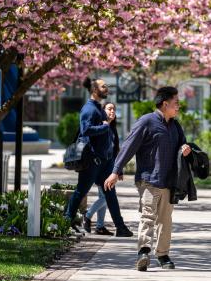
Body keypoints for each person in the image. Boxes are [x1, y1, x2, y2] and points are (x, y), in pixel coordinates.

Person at [104, 86, 191, 271]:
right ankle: (143, 252)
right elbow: (129, 146)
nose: (178, 107)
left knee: (165, 220)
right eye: (176, 103)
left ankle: (163, 255)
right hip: (148, 179)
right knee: (148, 216)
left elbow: (182, 143)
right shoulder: (146, 122)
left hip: (169, 181)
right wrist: (115, 170)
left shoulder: (175, 126)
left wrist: (185, 149)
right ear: (165, 103)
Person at [64, 78, 133, 237]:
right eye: (103, 86)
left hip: (104, 162)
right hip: (92, 161)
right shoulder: (89, 109)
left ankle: (120, 227)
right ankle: (67, 221)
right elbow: (85, 130)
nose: (106, 88)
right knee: (81, 191)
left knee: (111, 194)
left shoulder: (98, 108)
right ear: (95, 89)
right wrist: (104, 126)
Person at [83, 101, 120, 235]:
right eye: (109, 109)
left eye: (114, 109)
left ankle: (99, 226)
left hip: (109, 167)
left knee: (103, 195)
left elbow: (114, 150)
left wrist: (117, 169)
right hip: (99, 166)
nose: (112, 111)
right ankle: (87, 215)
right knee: (105, 197)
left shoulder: (112, 128)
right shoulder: (100, 126)